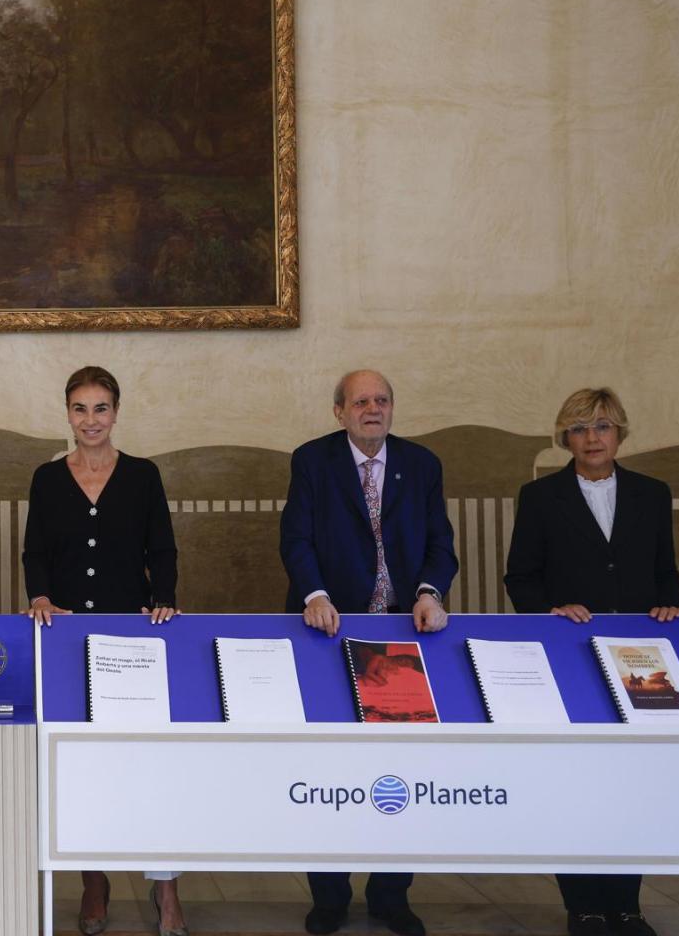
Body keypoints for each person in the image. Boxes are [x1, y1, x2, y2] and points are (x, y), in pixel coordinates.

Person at [279, 369, 458, 936]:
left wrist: (430, 591)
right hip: (327, 632)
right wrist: (315, 594)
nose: (372, 409)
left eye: (382, 400)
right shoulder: (312, 461)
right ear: (340, 412)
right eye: (361, 401)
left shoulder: (422, 464)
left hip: (401, 637)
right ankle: (329, 894)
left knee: (398, 768)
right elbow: (297, 539)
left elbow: (440, 543)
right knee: (327, 763)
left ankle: (390, 893)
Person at [503, 387, 679, 936]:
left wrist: (669, 605)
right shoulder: (539, 497)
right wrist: (550, 611)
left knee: (631, 782)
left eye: (602, 427)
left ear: (620, 433)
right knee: (574, 779)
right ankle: (582, 904)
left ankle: (626, 905)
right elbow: (520, 577)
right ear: (566, 438)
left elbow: (665, 570)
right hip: (568, 654)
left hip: (639, 656)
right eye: (580, 429)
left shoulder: (653, 493)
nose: (592, 438)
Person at [22, 365, 184, 936]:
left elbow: (161, 549)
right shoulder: (46, 478)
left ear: (116, 413)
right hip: (65, 637)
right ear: (67, 414)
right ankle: (94, 881)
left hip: (131, 635)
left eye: (101, 408)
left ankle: (166, 890)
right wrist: (38, 594)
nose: (90, 420)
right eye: (80, 409)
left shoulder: (143, 475)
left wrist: (163, 599)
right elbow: (34, 553)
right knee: (79, 765)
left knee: (147, 765)